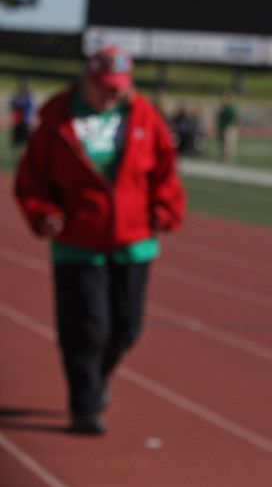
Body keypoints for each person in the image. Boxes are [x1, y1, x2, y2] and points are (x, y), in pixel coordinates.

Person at [13, 45, 185, 434]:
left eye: (119, 86)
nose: (112, 93)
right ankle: (84, 406)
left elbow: (165, 173)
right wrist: (45, 215)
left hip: (134, 241)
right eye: (105, 85)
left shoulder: (143, 115)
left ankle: (95, 382)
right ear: (87, 80)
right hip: (78, 243)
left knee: (126, 328)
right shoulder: (57, 119)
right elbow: (32, 181)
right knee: (86, 327)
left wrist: (164, 210)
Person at [9, 76, 37, 160]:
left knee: (27, 142)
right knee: (15, 142)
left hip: (26, 122)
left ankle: (26, 158)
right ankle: (16, 158)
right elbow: (12, 104)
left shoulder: (29, 96)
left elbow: (31, 107)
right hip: (18, 122)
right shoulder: (18, 96)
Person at [216, 89, 240, 161]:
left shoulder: (232, 108)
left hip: (229, 128)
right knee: (222, 146)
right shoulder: (223, 108)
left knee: (228, 146)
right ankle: (225, 159)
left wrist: (233, 128)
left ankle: (229, 160)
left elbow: (236, 119)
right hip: (222, 128)